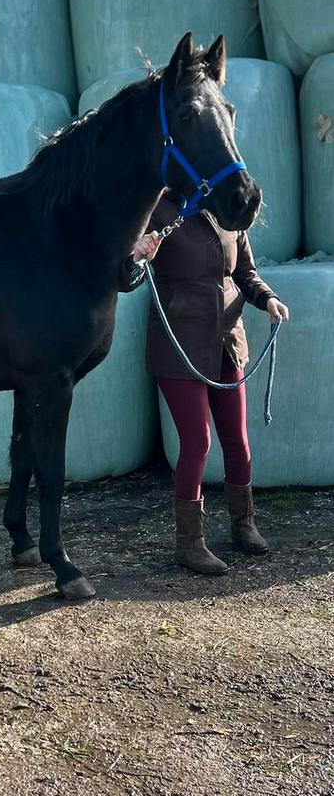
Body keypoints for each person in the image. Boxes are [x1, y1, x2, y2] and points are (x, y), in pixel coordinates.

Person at [121, 190, 289, 575]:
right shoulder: (157, 207)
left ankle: (243, 525)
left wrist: (268, 300)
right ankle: (189, 544)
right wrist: (136, 253)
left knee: (237, 437)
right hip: (179, 344)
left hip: (227, 340)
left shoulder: (226, 206)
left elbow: (244, 272)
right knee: (198, 441)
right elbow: (124, 276)